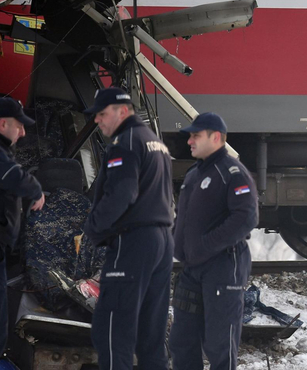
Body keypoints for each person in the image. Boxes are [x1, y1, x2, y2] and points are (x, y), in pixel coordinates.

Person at [82, 87, 174, 370]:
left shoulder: (126, 142)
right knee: (151, 335)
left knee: (112, 331)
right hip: (161, 241)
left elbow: (122, 194)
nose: (98, 121)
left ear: (123, 111)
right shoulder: (153, 141)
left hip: (134, 241)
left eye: (102, 114)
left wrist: (94, 229)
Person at [169, 113, 258, 370]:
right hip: (192, 269)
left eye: (196, 135)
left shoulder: (232, 172)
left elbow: (246, 218)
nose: (189, 141)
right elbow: (184, 218)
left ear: (215, 137)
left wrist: (205, 246)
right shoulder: (194, 174)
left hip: (223, 267)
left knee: (219, 343)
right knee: (181, 340)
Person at [0, 97, 45, 370]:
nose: (23, 133)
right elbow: (11, 176)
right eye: (19, 126)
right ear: (3, 124)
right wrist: (35, 189)